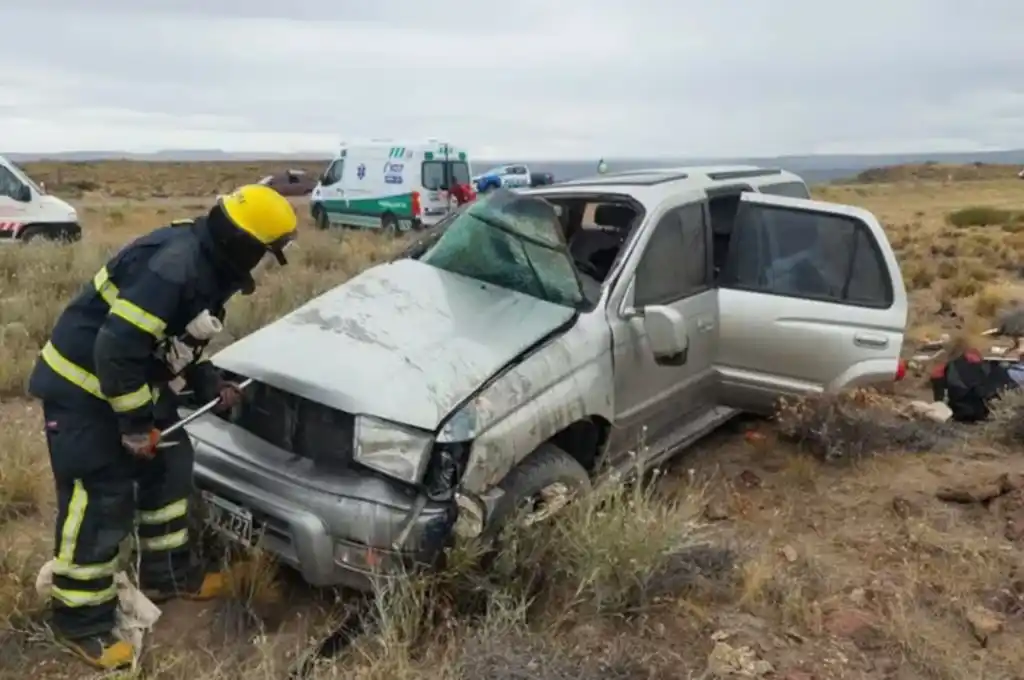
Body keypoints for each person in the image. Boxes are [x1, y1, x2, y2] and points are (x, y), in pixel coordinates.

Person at [26, 184, 298, 670]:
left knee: (172, 461)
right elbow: (116, 348)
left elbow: (171, 341)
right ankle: (79, 621)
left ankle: (170, 575)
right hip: (82, 391)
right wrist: (133, 427)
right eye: (263, 252)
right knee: (101, 497)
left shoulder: (209, 265)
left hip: (127, 384)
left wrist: (210, 381)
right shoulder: (175, 267)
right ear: (245, 242)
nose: (261, 263)